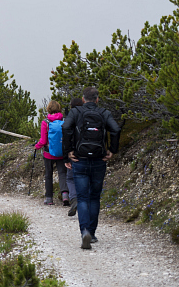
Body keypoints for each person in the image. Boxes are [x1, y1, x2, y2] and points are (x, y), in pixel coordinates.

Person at [63, 86, 121, 250]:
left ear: (83, 99)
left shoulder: (76, 112)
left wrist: (68, 152)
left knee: (82, 198)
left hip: (79, 159)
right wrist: (112, 150)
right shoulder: (104, 113)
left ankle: (85, 232)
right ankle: (92, 234)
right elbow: (115, 129)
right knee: (94, 197)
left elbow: (66, 128)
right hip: (98, 159)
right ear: (97, 99)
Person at [33, 100, 68, 206]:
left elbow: (43, 141)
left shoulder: (46, 122)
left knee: (48, 175)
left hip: (48, 154)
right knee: (62, 174)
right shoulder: (64, 120)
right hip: (62, 153)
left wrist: (37, 146)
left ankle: (49, 198)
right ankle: (65, 195)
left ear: (48, 109)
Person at [66, 96, 83, 217]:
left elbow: (66, 137)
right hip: (88, 152)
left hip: (74, 153)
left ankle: (74, 199)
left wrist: (66, 156)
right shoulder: (88, 116)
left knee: (71, 178)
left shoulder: (70, 117)